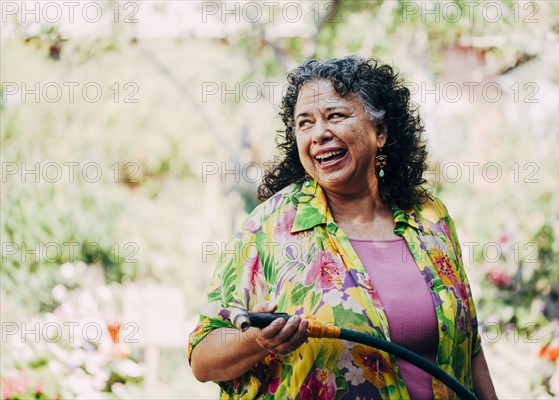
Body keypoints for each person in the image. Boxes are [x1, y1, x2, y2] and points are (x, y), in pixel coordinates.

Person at [188, 56, 497, 399]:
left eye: (335, 116)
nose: (319, 133)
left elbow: (470, 346)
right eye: (304, 123)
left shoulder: (429, 217)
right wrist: (256, 341)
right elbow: (203, 358)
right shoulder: (269, 227)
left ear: (379, 132)